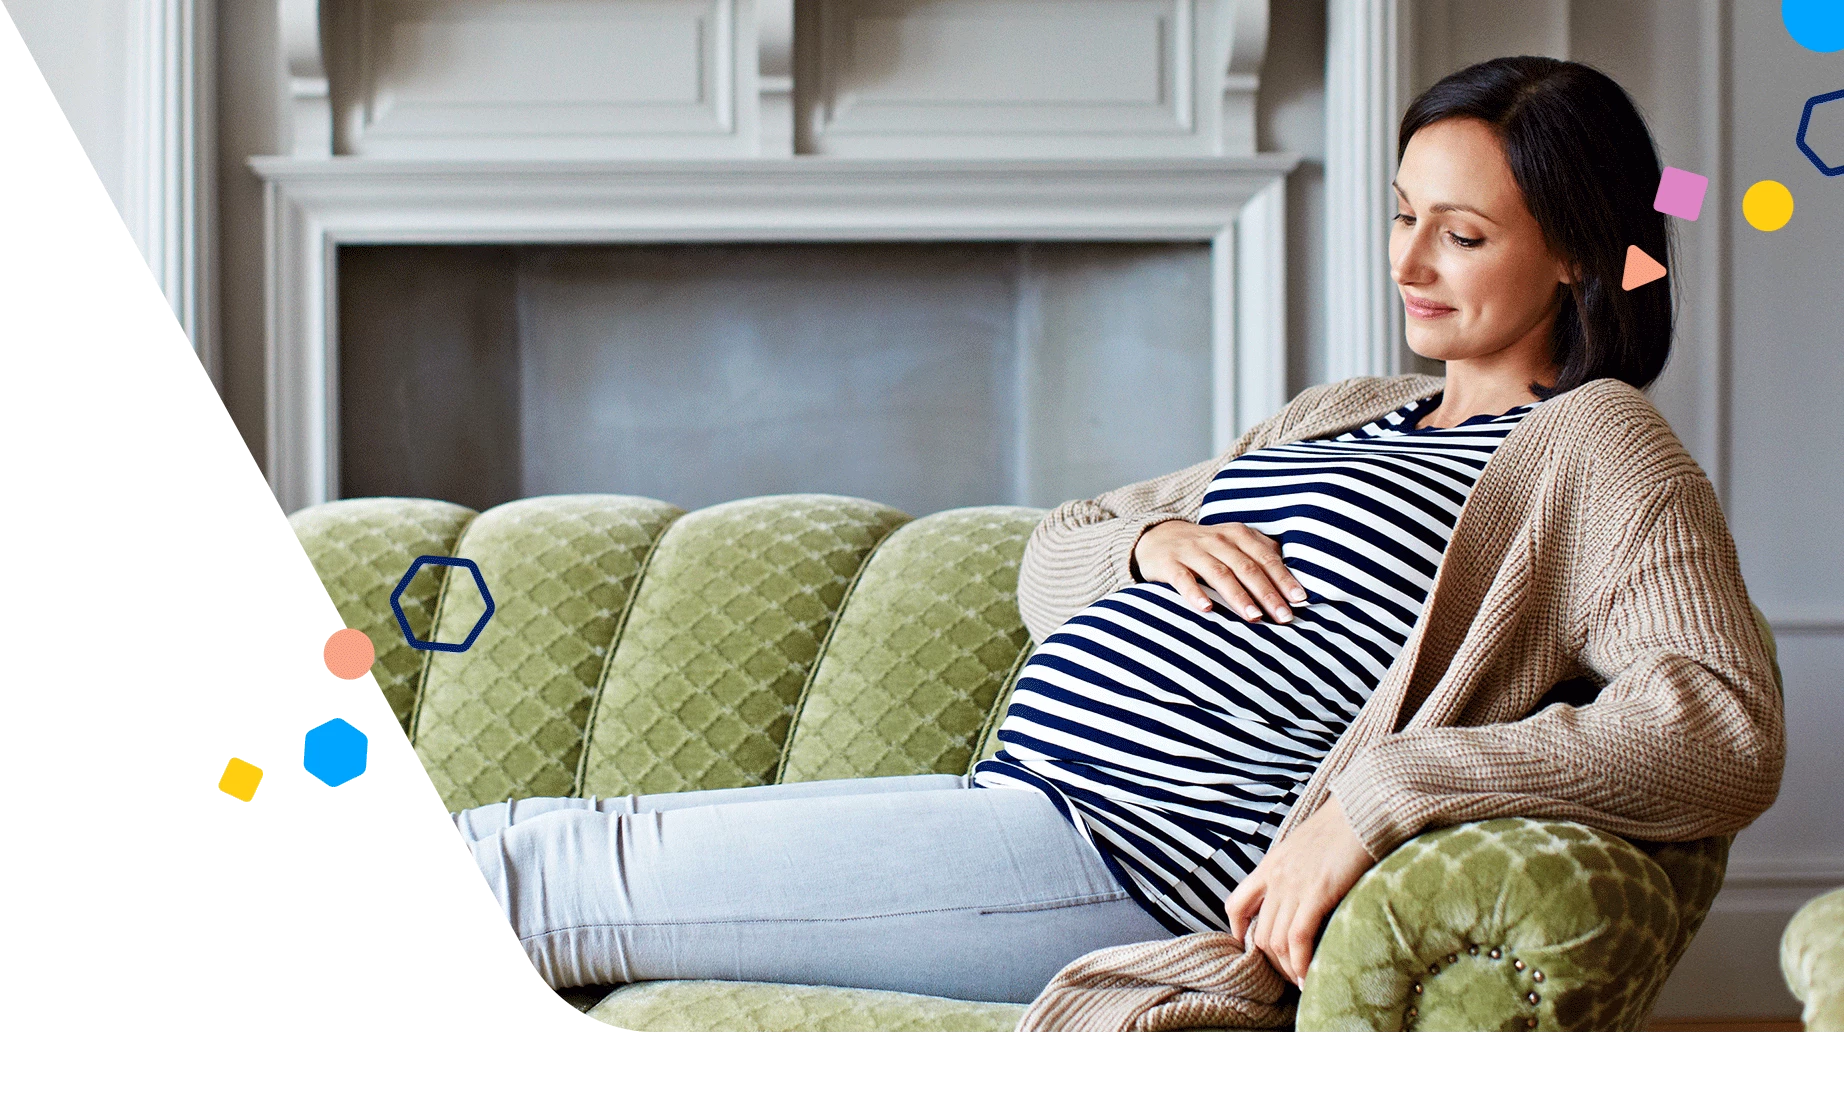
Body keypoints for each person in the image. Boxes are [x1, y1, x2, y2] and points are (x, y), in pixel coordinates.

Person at [455, 57, 1783, 1026]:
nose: (1409, 261)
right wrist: (1145, 549)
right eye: (1401, 212)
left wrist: (1387, 796)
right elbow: (1061, 544)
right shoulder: (1345, 414)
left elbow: (1719, 725)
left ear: (1575, 257)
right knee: (561, 850)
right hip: (1027, 813)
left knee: (547, 872)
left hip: (1135, 862)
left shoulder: (1598, 445)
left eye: (1464, 232)